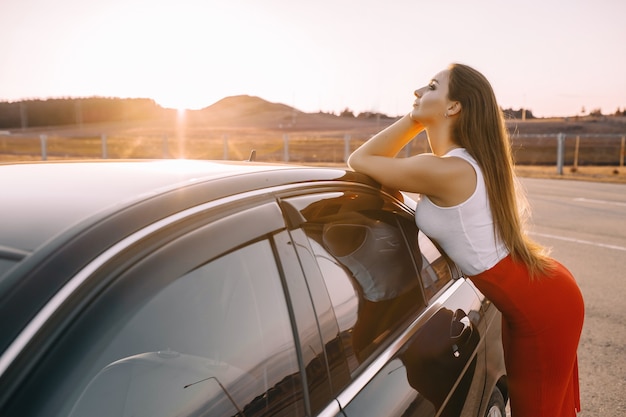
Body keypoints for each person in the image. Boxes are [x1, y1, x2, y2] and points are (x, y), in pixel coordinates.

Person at [347, 63, 584, 417]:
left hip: (542, 306)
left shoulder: (448, 170)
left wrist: (414, 119)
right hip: (537, 296)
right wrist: (425, 110)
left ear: (453, 107)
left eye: (430, 87)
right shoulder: (459, 165)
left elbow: (359, 160)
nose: (417, 92)